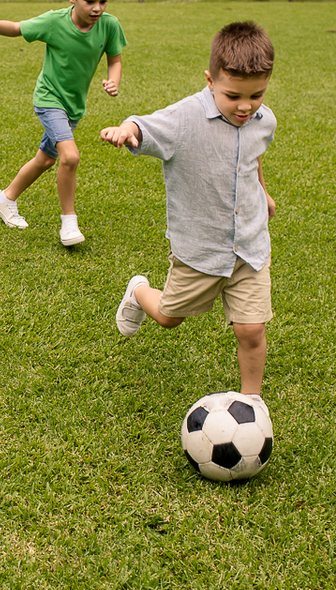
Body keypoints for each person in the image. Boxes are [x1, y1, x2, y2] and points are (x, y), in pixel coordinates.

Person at [100, 21, 277, 402]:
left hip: (249, 248)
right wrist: (126, 130)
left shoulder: (264, 120)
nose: (246, 106)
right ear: (210, 81)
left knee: (251, 330)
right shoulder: (185, 117)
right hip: (200, 250)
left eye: (257, 95)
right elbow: (143, 124)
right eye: (233, 96)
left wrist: (263, 193)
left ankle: (252, 402)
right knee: (169, 318)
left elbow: (253, 156)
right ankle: (139, 291)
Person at [0, 0, 126, 247]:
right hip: (49, 99)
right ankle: (69, 222)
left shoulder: (109, 25)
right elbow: (17, 28)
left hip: (73, 106)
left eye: (104, 1)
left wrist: (113, 80)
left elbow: (114, 59)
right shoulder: (54, 22)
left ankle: (5, 199)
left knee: (46, 159)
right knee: (70, 157)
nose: (97, 8)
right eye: (90, 1)